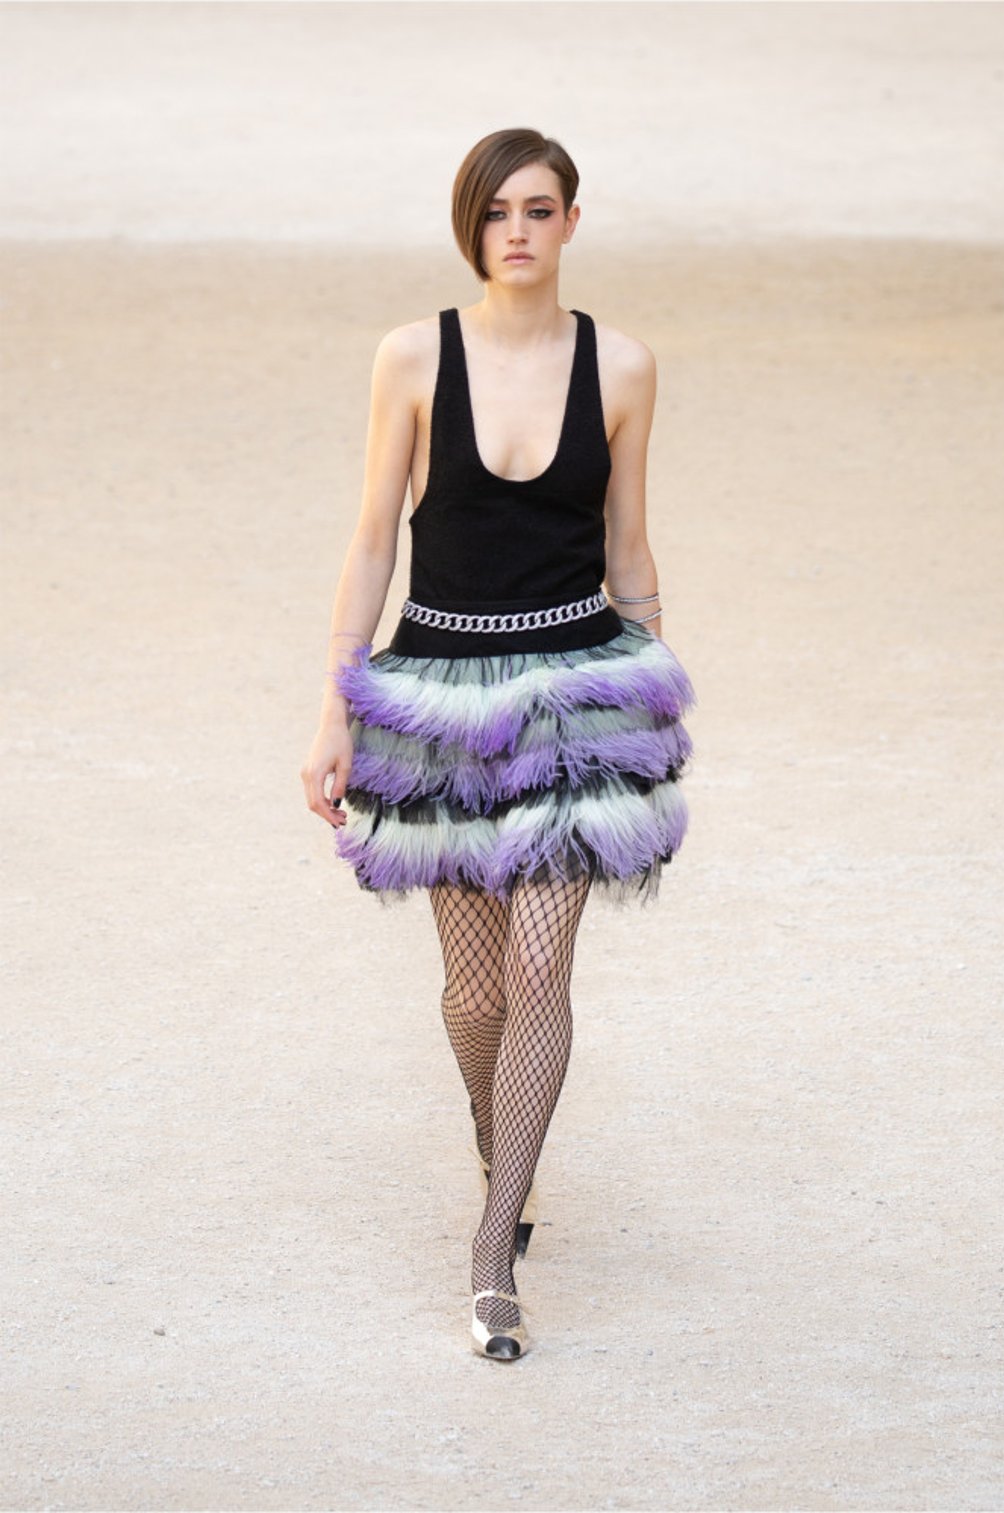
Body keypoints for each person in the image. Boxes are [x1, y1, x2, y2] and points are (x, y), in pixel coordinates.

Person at [301, 127, 696, 1361]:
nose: (514, 231)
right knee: (475, 995)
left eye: (536, 209)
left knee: (539, 970)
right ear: (468, 226)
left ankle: (491, 1251)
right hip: (441, 701)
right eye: (493, 212)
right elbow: (375, 535)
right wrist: (337, 704)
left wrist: (654, 691)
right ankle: (499, 1149)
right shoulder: (414, 356)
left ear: (572, 220)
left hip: (576, 698)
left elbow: (627, 544)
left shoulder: (621, 366)